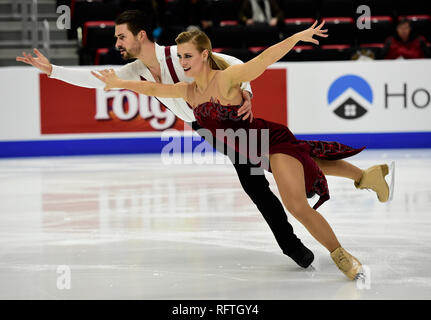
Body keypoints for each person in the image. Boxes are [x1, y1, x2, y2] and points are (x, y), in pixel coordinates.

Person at [91, 21, 394, 280]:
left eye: (188, 56)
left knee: (297, 204)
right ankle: (366, 177)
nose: (182, 62)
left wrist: (294, 38)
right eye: (180, 56)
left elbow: (262, 61)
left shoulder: (226, 79)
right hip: (253, 150)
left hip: (269, 141)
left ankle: (341, 256)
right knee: (309, 159)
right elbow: (154, 89)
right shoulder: (188, 91)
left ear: (204, 55)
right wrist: (120, 83)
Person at [17, 10, 316, 269]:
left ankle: (302, 211)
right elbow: (97, 80)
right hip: (203, 126)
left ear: (141, 35)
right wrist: (53, 71)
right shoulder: (135, 71)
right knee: (256, 176)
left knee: (257, 176)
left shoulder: (179, 53)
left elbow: (231, 61)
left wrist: (247, 92)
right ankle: (304, 199)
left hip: (227, 119)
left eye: (121, 37)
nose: (117, 43)